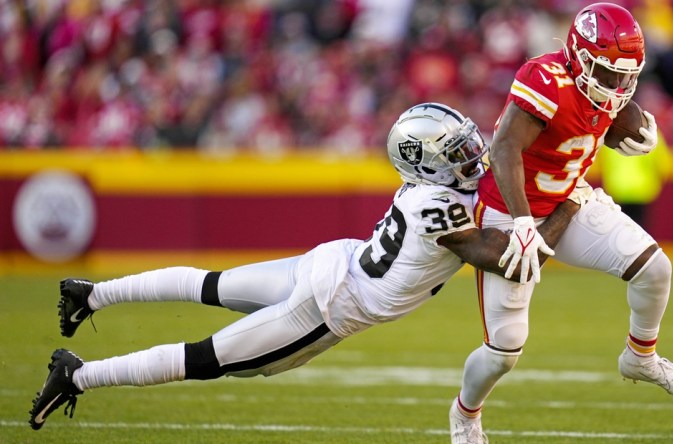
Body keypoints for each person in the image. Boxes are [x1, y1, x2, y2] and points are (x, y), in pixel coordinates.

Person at [29, 102, 584, 431]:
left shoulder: (431, 190)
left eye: (470, 143)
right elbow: (512, 264)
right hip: (330, 303)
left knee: (208, 284)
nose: (474, 154)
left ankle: (92, 294)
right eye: (458, 150)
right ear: (426, 162)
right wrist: (569, 203)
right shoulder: (440, 203)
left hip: (333, 262)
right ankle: (77, 374)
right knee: (210, 359)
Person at [449, 4, 673, 443]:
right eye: (609, 74)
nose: (618, 85)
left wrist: (632, 122)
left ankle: (641, 357)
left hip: (570, 200)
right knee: (503, 352)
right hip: (510, 211)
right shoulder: (544, 80)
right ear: (580, 57)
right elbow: (506, 148)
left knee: (655, 268)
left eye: (627, 76)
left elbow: (604, 109)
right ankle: (465, 414)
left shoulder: (605, 85)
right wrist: (523, 220)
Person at [597, 129, 671, 230]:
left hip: (617, 188)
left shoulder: (609, 134)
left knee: (619, 230)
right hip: (642, 190)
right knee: (639, 231)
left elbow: (602, 162)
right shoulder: (653, 134)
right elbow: (662, 165)